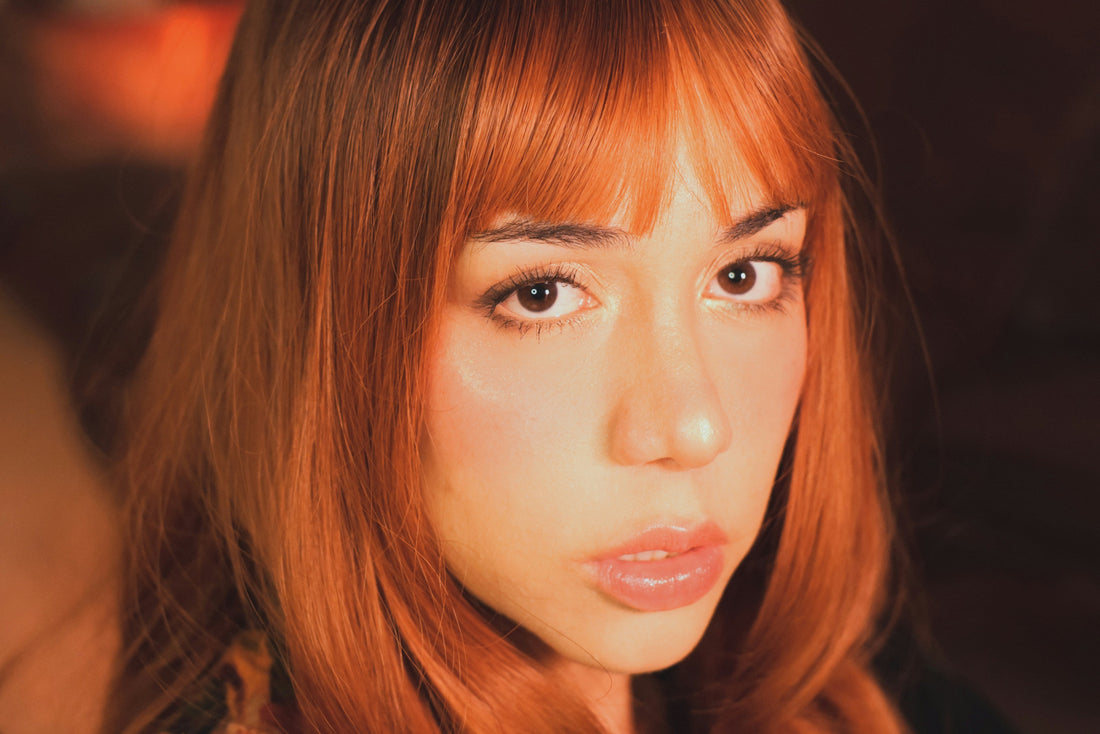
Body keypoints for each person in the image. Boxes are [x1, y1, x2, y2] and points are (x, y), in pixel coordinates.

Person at [98, 1, 906, 732]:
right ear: (319, 326)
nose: (694, 429)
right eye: (542, 293)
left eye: (743, 275)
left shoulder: (849, 704)